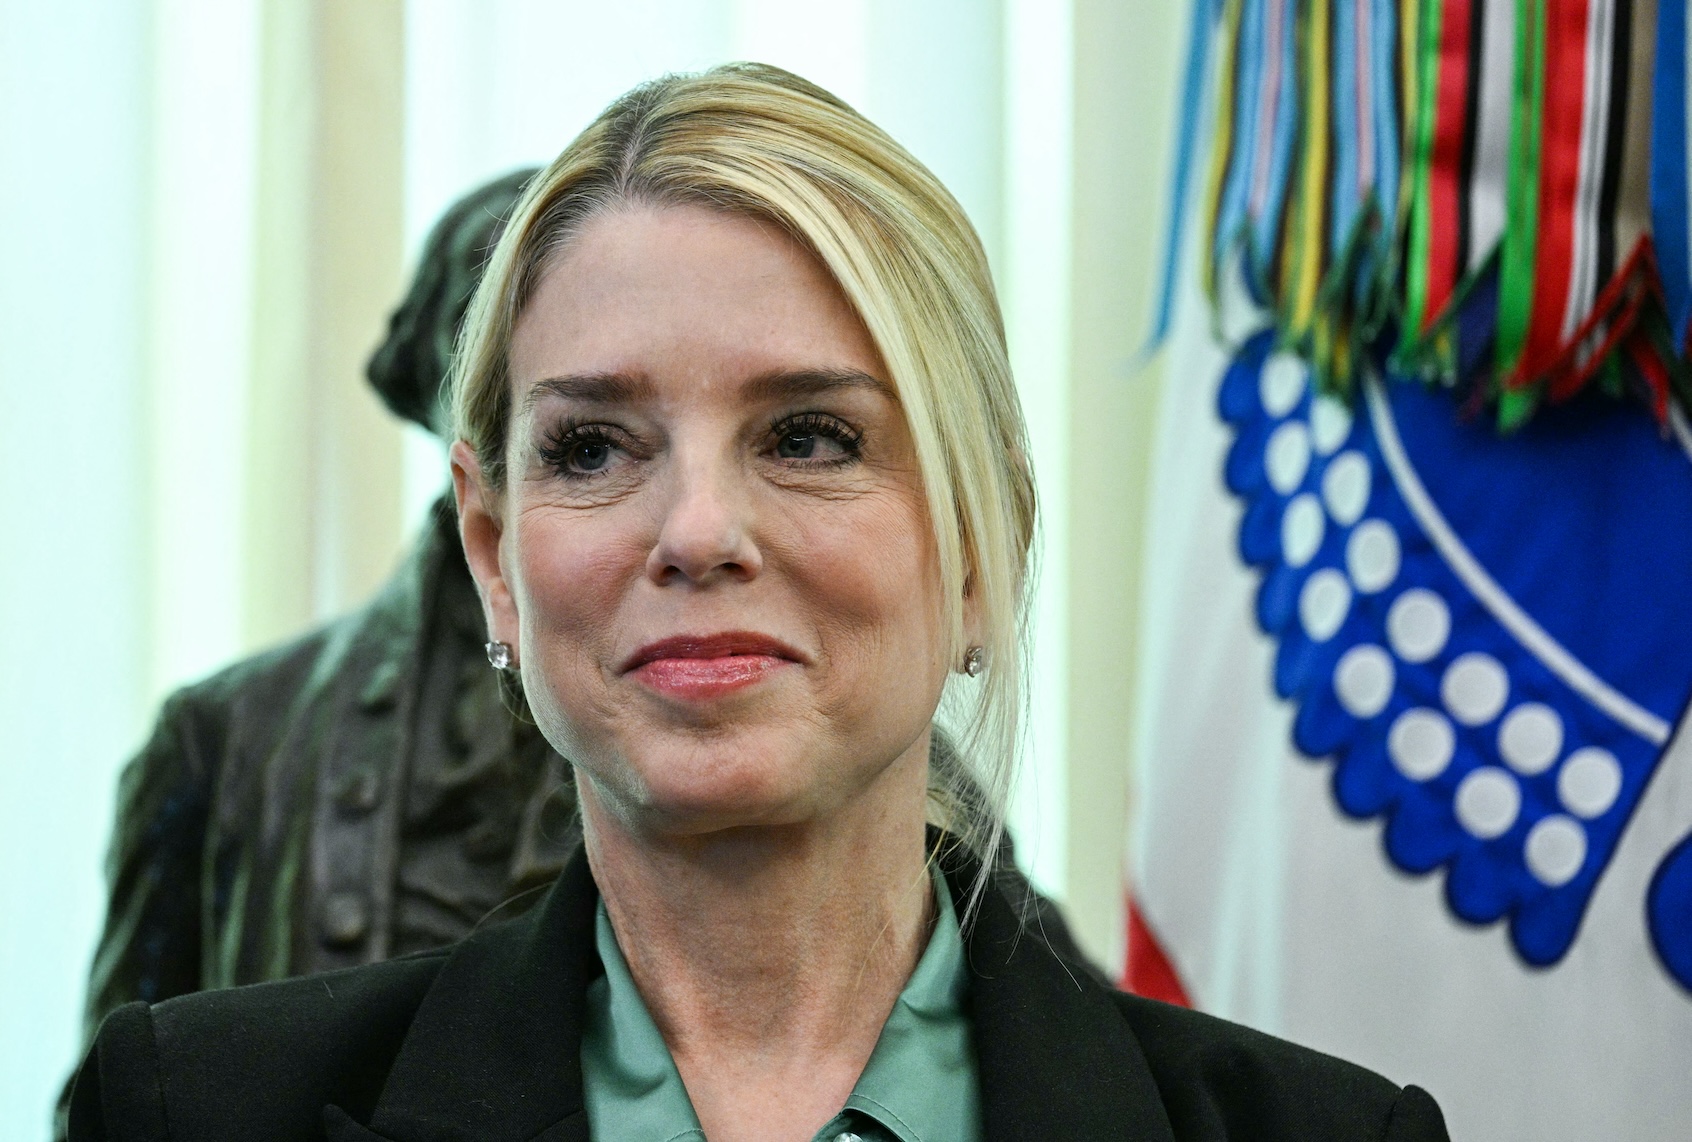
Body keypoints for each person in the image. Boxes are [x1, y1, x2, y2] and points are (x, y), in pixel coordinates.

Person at [66, 64, 1449, 1141]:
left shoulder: (1331, 1135)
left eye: (810, 437)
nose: (697, 532)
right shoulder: (189, 1113)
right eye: (592, 449)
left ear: (982, 551)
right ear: (492, 554)